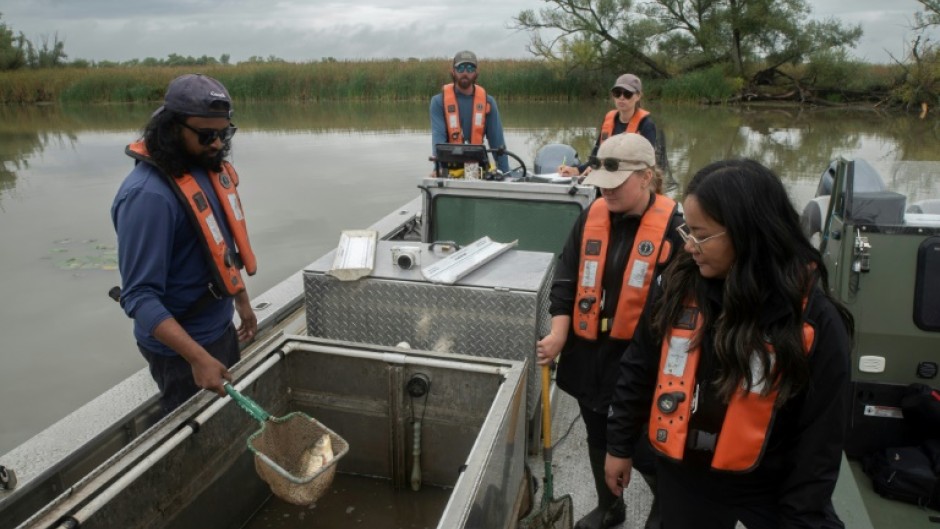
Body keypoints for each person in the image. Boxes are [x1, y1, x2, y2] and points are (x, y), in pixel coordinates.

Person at [605, 159, 855, 529]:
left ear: (748, 234)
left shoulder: (816, 324)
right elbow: (639, 364)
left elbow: (819, 445)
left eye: (702, 235)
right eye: (687, 230)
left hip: (761, 494)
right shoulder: (676, 286)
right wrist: (619, 445)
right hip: (681, 482)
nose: (689, 246)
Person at [536, 133, 683, 529]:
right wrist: (560, 332)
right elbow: (566, 278)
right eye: (601, 183)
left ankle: (664, 510)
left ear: (647, 177)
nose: (605, 191)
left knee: (648, 448)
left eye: (615, 185)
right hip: (590, 357)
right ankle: (610, 506)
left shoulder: (677, 230)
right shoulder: (591, 216)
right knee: (597, 432)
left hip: (644, 364)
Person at [111, 73, 258, 415]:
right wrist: (197, 358)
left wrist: (242, 301)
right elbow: (139, 296)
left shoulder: (204, 169)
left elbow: (219, 247)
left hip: (219, 327)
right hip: (182, 354)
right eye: (206, 135)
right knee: (196, 434)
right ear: (172, 128)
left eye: (225, 133)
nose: (218, 144)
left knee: (226, 420)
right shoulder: (148, 197)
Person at [559, 73, 663, 178]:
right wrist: (576, 170)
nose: (621, 98)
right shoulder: (609, 120)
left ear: (638, 96)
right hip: (605, 177)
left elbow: (645, 165)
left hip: (632, 181)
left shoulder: (646, 125)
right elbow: (596, 157)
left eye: (627, 94)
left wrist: (600, 168)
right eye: (617, 93)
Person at [429, 50, 510, 176]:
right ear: (453, 72)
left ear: (476, 73)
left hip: (477, 168)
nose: (465, 73)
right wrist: (437, 168)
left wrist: (506, 175)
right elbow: (438, 138)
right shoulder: (438, 102)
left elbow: (497, 142)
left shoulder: (488, 102)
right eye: (460, 68)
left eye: (470, 68)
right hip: (449, 169)